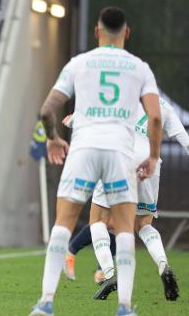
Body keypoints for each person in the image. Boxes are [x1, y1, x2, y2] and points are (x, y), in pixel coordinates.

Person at [29, 7, 162, 316]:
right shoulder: (139, 67)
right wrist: (153, 156)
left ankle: (46, 302)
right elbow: (154, 116)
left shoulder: (79, 63)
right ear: (127, 33)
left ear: (96, 32)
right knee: (126, 229)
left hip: (83, 148)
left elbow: (47, 109)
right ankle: (125, 307)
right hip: (119, 152)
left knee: (62, 225)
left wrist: (52, 138)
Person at [62, 97, 186, 301]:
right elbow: (185, 139)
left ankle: (108, 273)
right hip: (150, 164)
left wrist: (74, 119)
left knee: (97, 220)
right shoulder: (165, 107)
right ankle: (163, 265)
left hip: (119, 160)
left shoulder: (126, 96)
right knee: (143, 224)